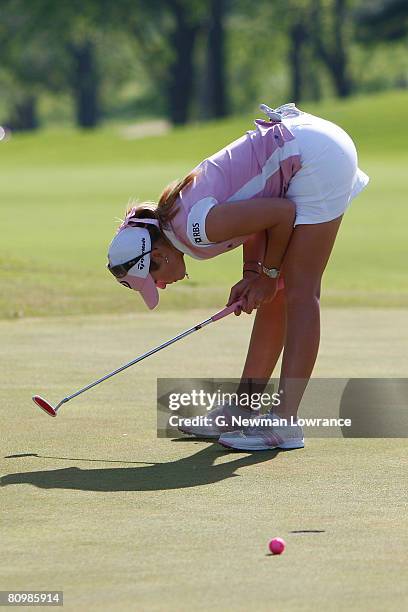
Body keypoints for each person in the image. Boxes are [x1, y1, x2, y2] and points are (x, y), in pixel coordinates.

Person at [107, 103, 369, 451]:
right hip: (305, 144)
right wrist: (254, 274)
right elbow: (256, 214)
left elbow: (280, 213)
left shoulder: (197, 230)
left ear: (158, 255)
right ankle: (243, 408)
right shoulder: (178, 222)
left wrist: (268, 274)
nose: (160, 286)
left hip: (316, 157)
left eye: (153, 280)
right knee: (277, 294)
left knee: (300, 291)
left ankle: (285, 422)